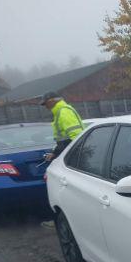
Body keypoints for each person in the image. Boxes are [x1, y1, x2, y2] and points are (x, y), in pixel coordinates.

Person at [39, 92, 85, 229]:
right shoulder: (60, 111)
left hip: (74, 158)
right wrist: (55, 153)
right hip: (70, 157)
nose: (45, 107)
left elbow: (76, 138)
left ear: (52, 101)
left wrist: (58, 154)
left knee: (67, 191)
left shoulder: (63, 112)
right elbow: (63, 140)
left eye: (45, 103)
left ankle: (65, 222)